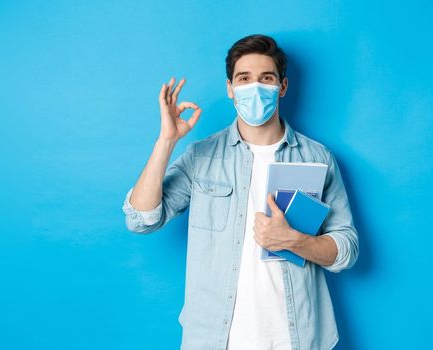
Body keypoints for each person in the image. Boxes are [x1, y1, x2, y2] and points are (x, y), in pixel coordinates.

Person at [121, 34, 359, 350]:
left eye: (266, 78)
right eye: (244, 79)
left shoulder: (318, 158)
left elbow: (347, 249)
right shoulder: (201, 157)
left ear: (282, 87)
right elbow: (141, 219)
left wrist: (294, 241)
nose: (255, 87)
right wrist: (166, 141)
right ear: (230, 88)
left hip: (297, 337)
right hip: (214, 339)